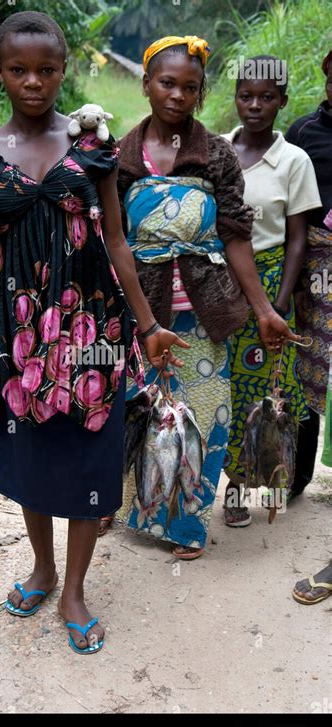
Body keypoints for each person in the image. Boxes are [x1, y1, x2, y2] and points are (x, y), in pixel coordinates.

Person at [0, 12, 188, 655]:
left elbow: (119, 243)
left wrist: (149, 325)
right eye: (19, 70)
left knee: (86, 456)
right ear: (0, 73)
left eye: (46, 70)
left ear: (63, 71)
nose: (33, 83)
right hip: (21, 336)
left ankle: (73, 587)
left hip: (93, 328)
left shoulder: (94, 149)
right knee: (32, 456)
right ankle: (42, 568)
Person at [114, 36, 297, 560]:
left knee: (208, 417)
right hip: (141, 313)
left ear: (200, 93)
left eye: (189, 87)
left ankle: (187, 526)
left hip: (202, 311)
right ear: (146, 83)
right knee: (140, 412)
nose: (177, 95)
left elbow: (236, 234)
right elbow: (113, 239)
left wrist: (263, 310)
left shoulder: (216, 154)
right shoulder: (120, 158)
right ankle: (136, 509)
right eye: (167, 83)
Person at [222, 56, 322, 524]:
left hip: (271, 281)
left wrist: (279, 302)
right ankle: (233, 485)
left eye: (266, 98)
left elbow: (297, 236)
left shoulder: (294, 160)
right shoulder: (217, 151)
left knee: (267, 392)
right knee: (224, 389)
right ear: (235, 99)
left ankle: (262, 485)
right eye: (246, 96)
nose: (255, 106)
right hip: (221, 283)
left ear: (282, 101)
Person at [284, 50, 332, 499]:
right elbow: (291, 211)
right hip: (316, 263)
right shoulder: (303, 132)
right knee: (310, 368)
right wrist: (295, 282)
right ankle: (299, 475)